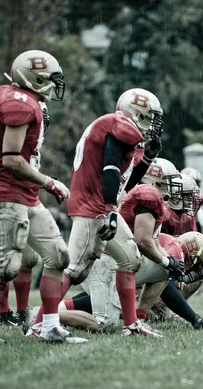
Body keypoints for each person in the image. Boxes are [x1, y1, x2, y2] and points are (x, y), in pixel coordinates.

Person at [28, 88, 165, 337]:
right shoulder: (118, 126)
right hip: (95, 207)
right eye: (149, 116)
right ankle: (39, 324)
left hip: (98, 204)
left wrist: (145, 160)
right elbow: (110, 169)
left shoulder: (116, 129)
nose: (152, 124)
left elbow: (124, 182)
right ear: (137, 113)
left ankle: (131, 325)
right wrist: (111, 209)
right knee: (74, 268)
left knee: (129, 259)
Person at [0, 50, 86, 344]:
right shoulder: (19, 103)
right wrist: (49, 182)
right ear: (33, 78)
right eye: (49, 80)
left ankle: (49, 326)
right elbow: (11, 158)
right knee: (6, 267)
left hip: (24, 195)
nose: (52, 86)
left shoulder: (16, 95)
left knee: (59, 257)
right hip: (7, 195)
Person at [29, 231, 203, 332]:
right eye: (199, 264)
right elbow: (168, 291)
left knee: (116, 307)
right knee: (105, 324)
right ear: (192, 253)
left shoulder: (171, 246)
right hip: (107, 269)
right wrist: (194, 318)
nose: (197, 270)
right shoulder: (175, 254)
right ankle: (47, 316)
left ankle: (136, 320)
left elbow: (159, 281)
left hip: (113, 268)